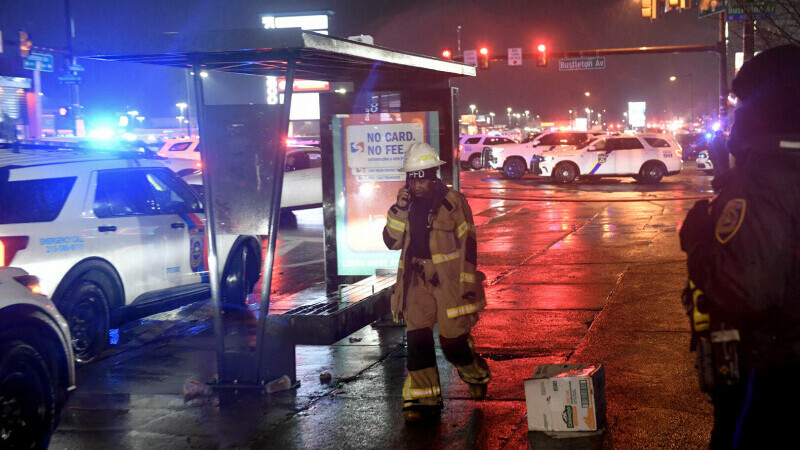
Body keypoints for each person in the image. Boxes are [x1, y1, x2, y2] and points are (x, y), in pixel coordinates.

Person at [679, 44, 800, 448]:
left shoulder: (767, 178)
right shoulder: (776, 169)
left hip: (767, 371)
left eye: (742, 103)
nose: (736, 114)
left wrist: (698, 241)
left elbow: (744, 289)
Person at [383, 142, 491, 423]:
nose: (416, 186)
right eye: (412, 180)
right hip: (416, 279)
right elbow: (391, 241)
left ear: (433, 176)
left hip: (449, 283)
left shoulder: (453, 202)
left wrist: (467, 283)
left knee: (453, 342)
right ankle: (422, 400)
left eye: (421, 180)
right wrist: (399, 208)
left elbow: (469, 243)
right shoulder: (406, 204)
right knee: (418, 340)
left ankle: (475, 373)